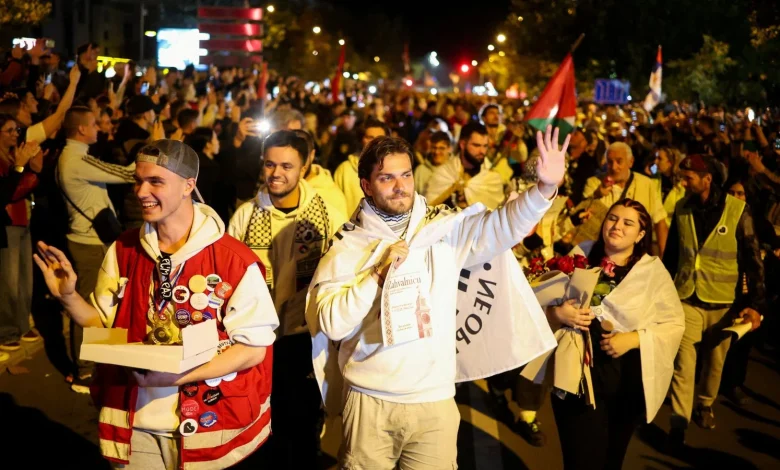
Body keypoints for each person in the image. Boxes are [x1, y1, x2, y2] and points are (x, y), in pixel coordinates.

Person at [307, 126, 568, 468]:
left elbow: (501, 227)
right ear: (367, 186)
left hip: (435, 401)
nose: (400, 186)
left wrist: (544, 189)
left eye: (405, 175)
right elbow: (332, 324)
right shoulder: (347, 246)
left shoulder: (442, 229)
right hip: (371, 401)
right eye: (386, 178)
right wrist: (375, 276)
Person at [34, 139, 279, 469]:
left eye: (155, 182)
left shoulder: (233, 260)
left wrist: (176, 376)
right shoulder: (123, 250)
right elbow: (105, 331)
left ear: (188, 186)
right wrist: (69, 297)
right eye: (138, 180)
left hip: (207, 424)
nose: (140, 191)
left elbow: (253, 349)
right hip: (136, 422)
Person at [228, 130, 346, 467]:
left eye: (286, 166)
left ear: (305, 166)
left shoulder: (327, 213)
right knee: (262, 420)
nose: (276, 173)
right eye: (269, 164)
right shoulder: (245, 216)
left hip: (304, 338)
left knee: (304, 422)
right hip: (256, 339)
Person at [547, 199, 685, 470]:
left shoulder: (652, 272)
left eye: (628, 222)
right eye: (612, 218)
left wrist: (633, 339)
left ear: (641, 234)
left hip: (625, 385)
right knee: (581, 461)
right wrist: (558, 314)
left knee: (611, 462)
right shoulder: (580, 256)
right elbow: (542, 303)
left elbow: (673, 323)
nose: (617, 226)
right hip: (577, 378)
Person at [664, 154, 764, 450]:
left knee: (715, 363)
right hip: (687, 299)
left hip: (723, 304)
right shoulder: (682, 208)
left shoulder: (738, 210)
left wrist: (756, 304)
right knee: (684, 363)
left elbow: (752, 258)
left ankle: (704, 404)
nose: (684, 182)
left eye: (688, 177)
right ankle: (678, 422)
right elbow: (672, 254)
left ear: (706, 179)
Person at [58, 106, 137, 391]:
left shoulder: (72, 158)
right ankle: (86, 372)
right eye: (94, 124)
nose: (99, 128)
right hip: (88, 242)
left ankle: (102, 363)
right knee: (89, 307)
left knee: (101, 303)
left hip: (89, 239)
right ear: (81, 129)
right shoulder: (76, 160)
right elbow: (125, 173)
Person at [0, 119, 43, 355]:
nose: (15, 134)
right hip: (8, 224)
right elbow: (9, 192)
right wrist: (22, 169)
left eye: (16, 130)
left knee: (25, 279)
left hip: (23, 219)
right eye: (9, 130)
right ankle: (7, 330)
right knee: (9, 281)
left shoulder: (12, 155)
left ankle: (22, 325)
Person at [582, 142, 669, 256]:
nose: (614, 167)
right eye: (610, 162)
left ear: (631, 162)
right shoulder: (593, 184)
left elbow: (660, 222)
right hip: (602, 253)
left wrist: (664, 258)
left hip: (637, 255)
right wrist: (597, 195)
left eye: (619, 161)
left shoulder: (646, 184)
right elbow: (582, 219)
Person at [424, 121, 504, 210]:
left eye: (485, 146)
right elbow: (428, 210)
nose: (482, 151)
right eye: (476, 145)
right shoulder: (444, 173)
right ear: (462, 144)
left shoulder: (492, 178)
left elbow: (496, 214)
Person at [334, 118, 389, 216]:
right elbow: (336, 208)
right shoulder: (344, 170)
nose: (375, 143)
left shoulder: (394, 170)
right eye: (370, 138)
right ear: (361, 140)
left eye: (380, 139)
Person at [295, 128, 348, 220]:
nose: (297, 164)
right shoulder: (274, 190)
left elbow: (341, 232)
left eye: (302, 156)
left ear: (312, 155)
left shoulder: (331, 196)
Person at [414, 130, 452, 195]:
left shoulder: (456, 170)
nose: (436, 152)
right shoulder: (420, 170)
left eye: (441, 148)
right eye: (434, 148)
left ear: (449, 149)